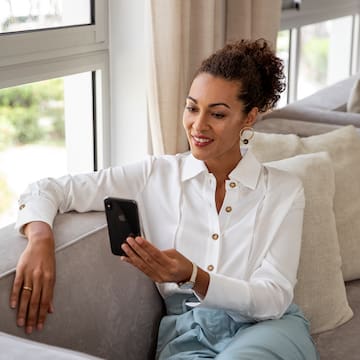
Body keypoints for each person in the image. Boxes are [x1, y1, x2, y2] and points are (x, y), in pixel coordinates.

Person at [11, 39, 319, 359]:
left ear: (249, 117)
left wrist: (194, 275)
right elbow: (46, 189)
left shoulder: (284, 190)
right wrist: (40, 238)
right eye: (192, 107)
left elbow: (274, 298)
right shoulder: (154, 175)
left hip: (266, 331)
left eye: (217, 114)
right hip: (188, 337)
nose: (198, 125)